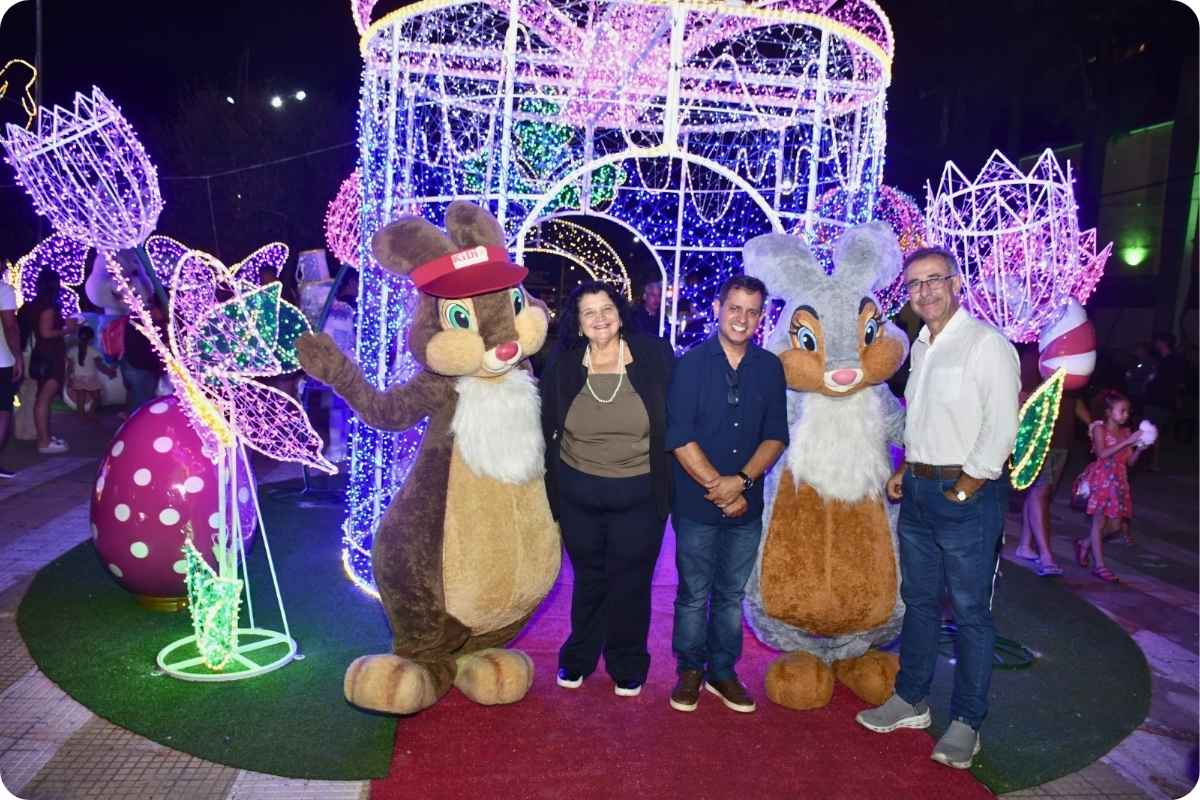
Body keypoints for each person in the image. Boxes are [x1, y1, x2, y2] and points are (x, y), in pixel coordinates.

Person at [856, 246, 1019, 770]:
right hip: (923, 489)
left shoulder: (986, 344)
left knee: (970, 614)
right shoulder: (923, 345)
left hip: (966, 495)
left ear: (955, 283)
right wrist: (908, 467)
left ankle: (968, 721)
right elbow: (922, 419)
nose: (923, 292)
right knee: (919, 603)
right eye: (914, 284)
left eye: (933, 281)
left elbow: (1000, 427)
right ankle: (911, 699)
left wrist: (968, 486)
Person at [540, 280, 676, 697]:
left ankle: (627, 662)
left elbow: (678, 415)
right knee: (589, 578)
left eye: (606, 309)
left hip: (640, 494)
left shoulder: (654, 355)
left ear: (620, 313)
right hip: (579, 493)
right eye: (589, 313)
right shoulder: (563, 363)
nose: (600, 318)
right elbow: (546, 424)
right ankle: (579, 656)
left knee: (631, 582)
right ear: (579, 324)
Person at [665, 274, 788, 714]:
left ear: (761, 317)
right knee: (694, 593)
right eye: (734, 307)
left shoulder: (770, 368)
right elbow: (679, 436)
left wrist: (743, 482)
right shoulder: (691, 364)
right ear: (718, 308)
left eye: (752, 311)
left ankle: (722, 671)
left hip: (746, 504)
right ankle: (690, 671)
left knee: (732, 595)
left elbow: (775, 436)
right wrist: (720, 487)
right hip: (696, 503)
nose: (742, 318)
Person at [1012, 345, 1090, 576]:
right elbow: (1020, 397)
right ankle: (1046, 555)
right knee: (1041, 493)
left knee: (1041, 494)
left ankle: (1026, 545)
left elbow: (1074, 401)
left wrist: (1093, 424)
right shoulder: (1034, 357)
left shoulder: (1073, 358)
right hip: (1038, 440)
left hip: (1062, 440)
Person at [1072, 389, 1146, 582]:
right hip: (1102, 478)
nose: (1126, 415)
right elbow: (1102, 453)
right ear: (1108, 412)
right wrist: (1127, 442)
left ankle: (1084, 543)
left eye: (1127, 411)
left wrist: (1138, 449)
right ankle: (1100, 566)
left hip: (1119, 481)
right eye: (1122, 410)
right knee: (1099, 522)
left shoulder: (1126, 432)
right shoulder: (1099, 428)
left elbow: (1129, 462)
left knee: (1115, 526)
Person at [19, 271, 75, 454]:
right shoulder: (48, 308)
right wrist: (68, 330)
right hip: (50, 355)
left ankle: (45, 437)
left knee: (42, 397)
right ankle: (43, 442)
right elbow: (45, 333)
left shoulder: (34, 305)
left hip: (42, 354)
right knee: (44, 398)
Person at [1143, 332, 1185, 470]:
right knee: (1155, 429)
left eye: (1158, 341)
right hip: (1161, 399)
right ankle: (1152, 462)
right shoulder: (1166, 360)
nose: (1155, 344)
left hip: (1159, 399)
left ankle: (1154, 463)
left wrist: (1151, 381)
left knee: (1152, 429)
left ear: (1163, 343)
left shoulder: (1169, 362)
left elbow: (1169, 382)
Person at [121, 300, 165, 413]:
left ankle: (131, 419)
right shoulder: (145, 326)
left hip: (134, 365)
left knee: (137, 396)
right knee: (142, 399)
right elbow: (148, 349)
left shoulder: (134, 322)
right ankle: (137, 424)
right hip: (141, 367)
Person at [66, 326, 114, 417]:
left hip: (77, 378)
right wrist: (109, 372)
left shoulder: (72, 350)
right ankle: (91, 414)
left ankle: (82, 416)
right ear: (91, 338)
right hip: (90, 378)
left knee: (81, 399)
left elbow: (70, 367)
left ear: (78, 336)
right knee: (97, 398)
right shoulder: (94, 351)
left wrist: (69, 378)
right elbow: (100, 366)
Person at [0, 275, 21, 478]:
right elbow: (10, 325)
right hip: (1, 360)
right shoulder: (3, 289)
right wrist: (18, 356)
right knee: (3, 411)